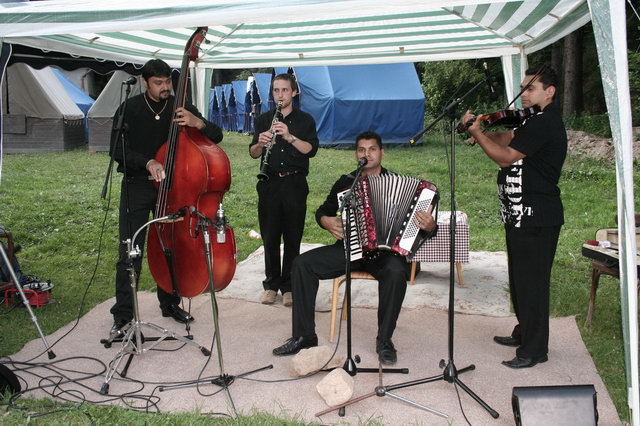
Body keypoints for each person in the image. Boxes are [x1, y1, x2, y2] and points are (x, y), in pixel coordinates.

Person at [272, 131, 437, 365]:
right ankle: (304, 336)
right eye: (361, 150)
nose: (366, 154)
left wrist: (430, 226)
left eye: (372, 149)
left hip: (384, 254)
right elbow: (323, 211)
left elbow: (425, 229)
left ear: (381, 153)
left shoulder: (403, 185)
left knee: (396, 271)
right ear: (355, 154)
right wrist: (326, 221)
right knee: (301, 264)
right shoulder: (345, 182)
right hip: (349, 248)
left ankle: (384, 341)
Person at [461, 65, 566, 369]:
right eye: (522, 88)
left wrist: (478, 134)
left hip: (536, 216)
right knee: (520, 281)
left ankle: (535, 350)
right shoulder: (532, 119)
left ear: (549, 91)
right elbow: (509, 137)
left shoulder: (545, 122)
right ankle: (525, 333)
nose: (524, 94)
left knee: (532, 284)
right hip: (519, 215)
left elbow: (506, 157)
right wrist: (485, 133)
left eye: (531, 88)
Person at [109, 59, 224, 336]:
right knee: (130, 250)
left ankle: (170, 303)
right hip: (138, 186)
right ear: (145, 82)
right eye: (158, 83)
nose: (165, 87)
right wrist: (147, 161)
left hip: (173, 189)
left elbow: (217, 135)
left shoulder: (179, 106)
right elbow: (116, 149)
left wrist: (198, 122)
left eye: (168, 82)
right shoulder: (129, 109)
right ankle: (123, 314)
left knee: (170, 245)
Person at [249, 74, 319, 307]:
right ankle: (271, 285)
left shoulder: (306, 120)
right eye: (276, 90)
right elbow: (253, 153)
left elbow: (310, 150)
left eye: (285, 90)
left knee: (292, 237)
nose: (280, 95)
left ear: (294, 92)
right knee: (270, 236)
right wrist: (260, 143)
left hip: (294, 183)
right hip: (269, 183)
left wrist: (289, 136)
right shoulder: (263, 119)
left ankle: (288, 286)